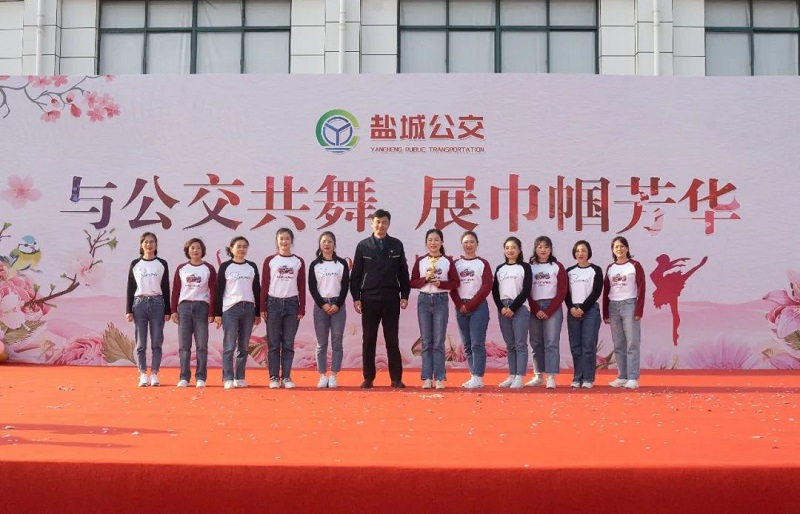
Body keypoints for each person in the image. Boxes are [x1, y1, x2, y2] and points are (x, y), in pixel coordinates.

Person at [350, 209, 411, 389]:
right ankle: (368, 378)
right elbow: (356, 274)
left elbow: (403, 272)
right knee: (369, 339)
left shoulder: (396, 245)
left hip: (391, 298)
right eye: (377, 222)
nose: (380, 225)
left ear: (388, 224)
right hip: (369, 298)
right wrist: (356, 297)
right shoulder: (363, 246)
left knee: (392, 340)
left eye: (384, 222)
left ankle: (396, 378)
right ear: (372, 224)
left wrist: (404, 295)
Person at [410, 228, 460, 389]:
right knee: (426, 341)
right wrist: (425, 279)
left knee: (438, 341)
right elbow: (412, 282)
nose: (433, 243)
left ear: (442, 242)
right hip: (424, 300)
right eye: (430, 240)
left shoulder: (447, 261)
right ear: (426, 243)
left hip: (440, 300)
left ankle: (439, 377)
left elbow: (455, 283)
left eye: (436, 239)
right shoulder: (421, 261)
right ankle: (426, 377)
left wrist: (441, 284)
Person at [261, 228, 306, 389]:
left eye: (287, 238)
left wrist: (301, 308)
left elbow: (301, 285)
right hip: (273, 304)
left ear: (291, 241)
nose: (284, 242)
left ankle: (286, 376)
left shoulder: (298, 261)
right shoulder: (270, 260)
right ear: (277, 240)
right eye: (281, 239)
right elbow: (265, 284)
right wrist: (263, 306)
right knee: (273, 343)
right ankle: (273, 376)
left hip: (292, 304)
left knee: (288, 343)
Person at [215, 236, 261, 390]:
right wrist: (218, 313)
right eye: (239, 246)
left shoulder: (251, 266)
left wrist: (257, 313)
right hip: (230, 309)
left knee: (244, 346)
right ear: (231, 248)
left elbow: (256, 289)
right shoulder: (226, 267)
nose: (242, 249)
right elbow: (219, 290)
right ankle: (228, 377)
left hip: (248, 308)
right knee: (229, 345)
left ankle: (239, 377)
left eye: (245, 246)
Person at [126, 232, 171, 387]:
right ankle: (143, 374)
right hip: (139, 303)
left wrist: (167, 310)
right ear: (141, 245)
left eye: (152, 242)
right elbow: (131, 287)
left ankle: (155, 374)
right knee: (141, 342)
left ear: (156, 244)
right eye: (146, 242)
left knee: (157, 340)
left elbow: (165, 286)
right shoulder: (135, 264)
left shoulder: (161, 264)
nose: (149, 245)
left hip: (157, 303)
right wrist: (129, 310)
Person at [171, 237, 217, 388]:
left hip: (202, 307)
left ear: (202, 250)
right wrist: (173, 310)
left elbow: (213, 291)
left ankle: (201, 377)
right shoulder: (182, 268)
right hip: (184, 308)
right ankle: (184, 377)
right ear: (187, 250)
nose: (195, 250)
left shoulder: (208, 268)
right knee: (184, 345)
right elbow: (176, 290)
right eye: (192, 248)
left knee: (202, 345)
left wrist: (212, 312)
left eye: (198, 248)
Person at [450, 231, 492, 389]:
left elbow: (486, 286)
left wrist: (470, 305)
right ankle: (473, 375)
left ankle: (478, 377)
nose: (469, 245)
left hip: (478, 307)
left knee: (477, 343)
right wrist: (460, 304)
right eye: (466, 242)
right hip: (460, 307)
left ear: (477, 244)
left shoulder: (482, 263)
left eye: (472, 242)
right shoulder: (456, 264)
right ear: (462, 244)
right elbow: (453, 286)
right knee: (467, 344)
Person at [602, 236, 646, 390]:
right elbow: (606, 290)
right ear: (612, 250)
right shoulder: (610, 268)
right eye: (616, 247)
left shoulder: (634, 265)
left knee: (632, 343)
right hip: (613, 306)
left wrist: (639, 309)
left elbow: (641, 288)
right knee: (618, 344)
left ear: (627, 248)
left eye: (622, 246)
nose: (619, 249)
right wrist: (605, 312)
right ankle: (622, 376)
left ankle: (632, 378)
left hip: (630, 305)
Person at [308, 231, 349, 388]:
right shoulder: (315, 265)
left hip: (338, 305)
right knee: (321, 343)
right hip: (321, 307)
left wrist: (337, 304)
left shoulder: (341, 264)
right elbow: (312, 288)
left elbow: (345, 286)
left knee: (337, 342)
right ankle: (322, 375)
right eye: (324, 241)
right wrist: (323, 304)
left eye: (329, 241)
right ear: (320, 244)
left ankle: (333, 375)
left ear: (334, 244)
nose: (326, 244)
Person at [526, 236, 567, 389]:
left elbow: (562, 290)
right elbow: (525, 290)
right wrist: (535, 308)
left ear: (551, 249)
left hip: (552, 307)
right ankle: (538, 375)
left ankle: (551, 376)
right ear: (535, 249)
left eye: (546, 247)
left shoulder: (557, 266)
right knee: (536, 342)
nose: (543, 250)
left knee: (551, 342)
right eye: (540, 247)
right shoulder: (529, 267)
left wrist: (549, 310)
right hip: (534, 307)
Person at [492, 236, 532, 389]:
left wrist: (513, 308)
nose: (510, 250)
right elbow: (495, 290)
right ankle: (512, 375)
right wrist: (501, 307)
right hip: (503, 308)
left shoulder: (525, 267)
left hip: (519, 308)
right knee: (510, 345)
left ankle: (520, 377)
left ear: (519, 250)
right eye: (507, 248)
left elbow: (526, 290)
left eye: (513, 247)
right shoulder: (500, 269)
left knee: (520, 343)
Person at [565, 240, 603, 389]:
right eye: (578, 251)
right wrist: (571, 307)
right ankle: (577, 377)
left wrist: (583, 308)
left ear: (589, 253)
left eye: (583, 250)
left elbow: (596, 291)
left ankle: (588, 378)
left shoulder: (595, 270)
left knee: (588, 346)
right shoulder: (569, 271)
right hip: (573, 311)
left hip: (590, 311)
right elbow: (565, 293)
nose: (580, 253)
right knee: (576, 347)